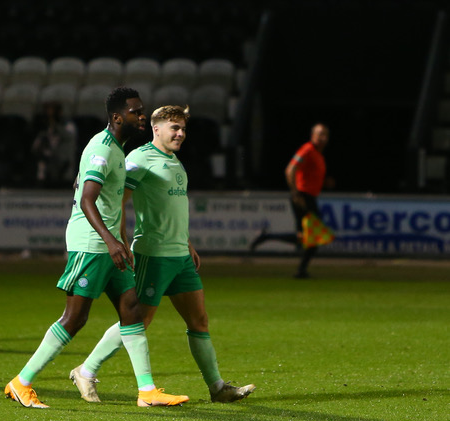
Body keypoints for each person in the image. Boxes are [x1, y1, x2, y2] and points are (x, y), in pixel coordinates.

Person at [4, 87, 189, 408]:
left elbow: (103, 198)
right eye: (135, 112)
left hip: (108, 244)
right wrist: (111, 240)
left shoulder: (116, 149)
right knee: (74, 319)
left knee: (132, 311)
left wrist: (119, 240)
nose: (142, 116)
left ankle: (147, 391)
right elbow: (87, 200)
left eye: (142, 110)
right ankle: (21, 382)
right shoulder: (101, 148)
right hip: (91, 244)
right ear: (117, 117)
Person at [69, 105, 256, 404]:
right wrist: (121, 240)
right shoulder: (140, 158)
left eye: (183, 129)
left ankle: (218, 388)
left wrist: (187, 242)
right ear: (156, 129)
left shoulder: (174, 160)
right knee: (137, 321)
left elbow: (173, 209)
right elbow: (117, 202)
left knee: (199, 320)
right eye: (174, 128)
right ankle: (86, 369)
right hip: (152, 254)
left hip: (179, 255)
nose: (180, 134)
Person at [250, 123, 330, 278]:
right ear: (312, 135)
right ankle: (301, 270)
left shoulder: (318, 154)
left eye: (325, 135)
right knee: (314, 236)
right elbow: (290, 169)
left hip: (309, 197)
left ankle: (267, 237)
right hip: (303, 197)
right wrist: (295, 193)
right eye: (320, 134)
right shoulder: (307, 149)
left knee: (305, 237)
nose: (323, 138)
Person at [31, 101, 77, 188]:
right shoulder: (46, 127)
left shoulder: (68, 125)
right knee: (42, 161)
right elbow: (37, 145)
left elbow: (68, 136)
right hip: (51, 159)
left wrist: (55, 125)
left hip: (64, 159)